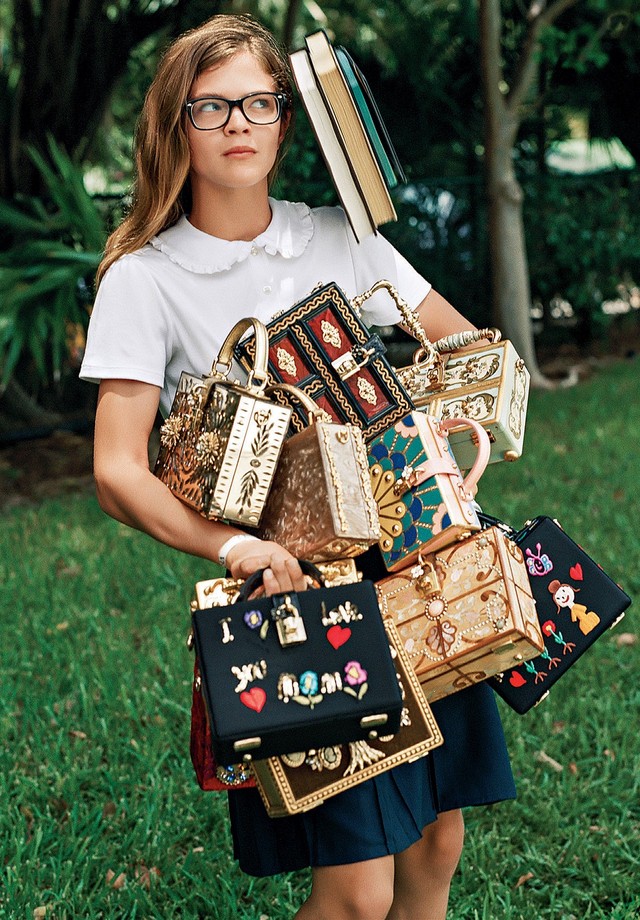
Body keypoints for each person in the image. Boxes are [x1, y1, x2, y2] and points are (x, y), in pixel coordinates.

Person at [80, 14, 516, 919]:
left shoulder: (339, 238)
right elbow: (118, 470)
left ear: (288, 118)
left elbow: (463, 343)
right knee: (358, 888)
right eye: (211, 106)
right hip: (294, 594)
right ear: (175, 126)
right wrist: (233, 551)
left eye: (258, 101)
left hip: (413, 562)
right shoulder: (143, 278)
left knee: (438, 839)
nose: (238, 122)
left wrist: (448, 447)